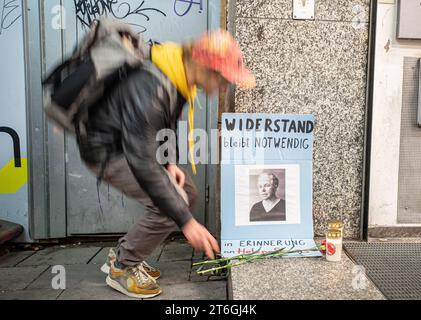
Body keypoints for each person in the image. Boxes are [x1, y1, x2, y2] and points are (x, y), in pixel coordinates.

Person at [76, 29, 255, 298]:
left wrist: (170, 163)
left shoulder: (176, 72)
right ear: (203, 66)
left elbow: (167, 123)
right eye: (223, 78)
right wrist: (186, 222)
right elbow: (142, 160)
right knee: (171, 204)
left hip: (130, 146)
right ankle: (122, 267)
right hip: (107, 151)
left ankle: (127, 252)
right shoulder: (152, 87)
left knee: (186, 193)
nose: (224, 86)